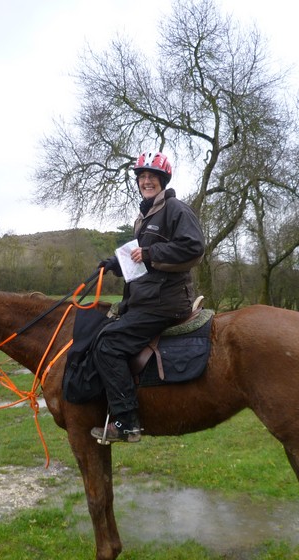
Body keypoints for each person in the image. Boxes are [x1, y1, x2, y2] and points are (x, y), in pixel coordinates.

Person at [90, 151, 205, 443]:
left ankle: (127, 422)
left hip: (164, 303)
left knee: (107, 345)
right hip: (145, 299)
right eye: (142, 177)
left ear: (163, 180)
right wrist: (114, 264)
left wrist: (152, 253)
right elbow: (138, 261)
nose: (146, 181)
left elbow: (194, 248)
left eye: (152, 177)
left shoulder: (175, 209)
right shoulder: (144, 217)